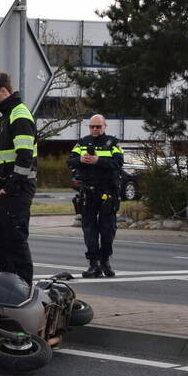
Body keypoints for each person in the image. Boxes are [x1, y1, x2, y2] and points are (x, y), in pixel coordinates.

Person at [0, 72, 37, 287]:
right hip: (4, 189)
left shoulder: (19, 115)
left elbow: (25, 157)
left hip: (16, 191)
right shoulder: (6, 116)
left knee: (15, 242)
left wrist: (11, 187)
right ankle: (8, 287)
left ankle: (23, 289)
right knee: (0, 243)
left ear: (4, 91)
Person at [68, 114, 124, 277]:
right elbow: (70, 161)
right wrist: (81, 160)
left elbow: (118, 163)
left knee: (107, 229)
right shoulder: (83, 142)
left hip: (107, 192)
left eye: (98, 127)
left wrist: (98, 160)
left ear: (104, 126)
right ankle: (94, 264)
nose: (94, 129)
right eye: (92, 126)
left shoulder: (112, 143)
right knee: (89, 229)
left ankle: (105, 261)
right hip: (88, 192)